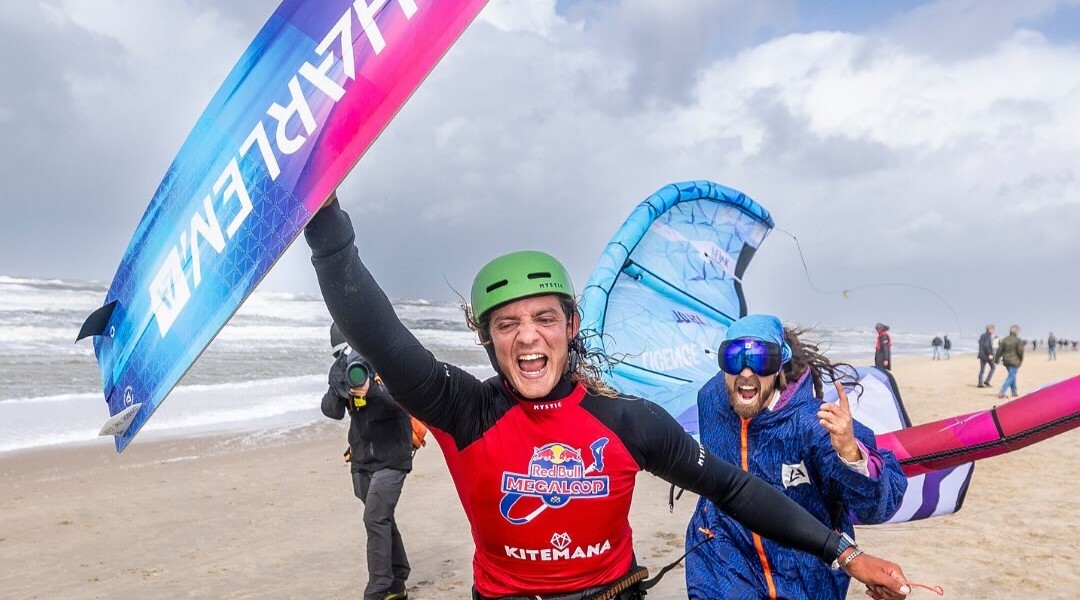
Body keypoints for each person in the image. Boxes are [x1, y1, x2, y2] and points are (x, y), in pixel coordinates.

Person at [304, 195, 912, 600]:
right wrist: (325, 221)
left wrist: (843, 555)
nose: (528, 336)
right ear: (489, 340)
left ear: (571, 327)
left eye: (544, 318)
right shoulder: (464, 411)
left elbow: (732, 487)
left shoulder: (626, 421)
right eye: (507, 323)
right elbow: (378, 334)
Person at [685, 316, 907, 599]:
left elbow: (878, 507)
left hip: (803, 579)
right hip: (721, 569)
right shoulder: (710, 400)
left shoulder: (814, 425)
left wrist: (851, 453)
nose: (745, 371)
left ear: (780, 365)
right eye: (732, 356)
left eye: (761, 358)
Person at [322, 324, 419, 600]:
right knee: (382, 518)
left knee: (375, 517)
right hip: (363, 459)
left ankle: (376, 590)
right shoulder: (343, 374)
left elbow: (403, 402)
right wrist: (336, 385)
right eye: (340, 356)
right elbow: (331, 412)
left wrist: (371, 389)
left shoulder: (384, 362)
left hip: (393, 456)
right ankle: (397, 582)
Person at [995, 325, 1025, 398]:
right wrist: (1021, 360)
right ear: (1017, 332)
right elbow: (1020, 351)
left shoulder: (1005, 339)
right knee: (1011, 376)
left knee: (1012, 375)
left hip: (1006, 361)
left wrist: (996, 359)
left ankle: (1014, 392)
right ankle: (1002, 392)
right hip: (1014, 361)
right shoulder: (1018, 340)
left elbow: (999, 351)